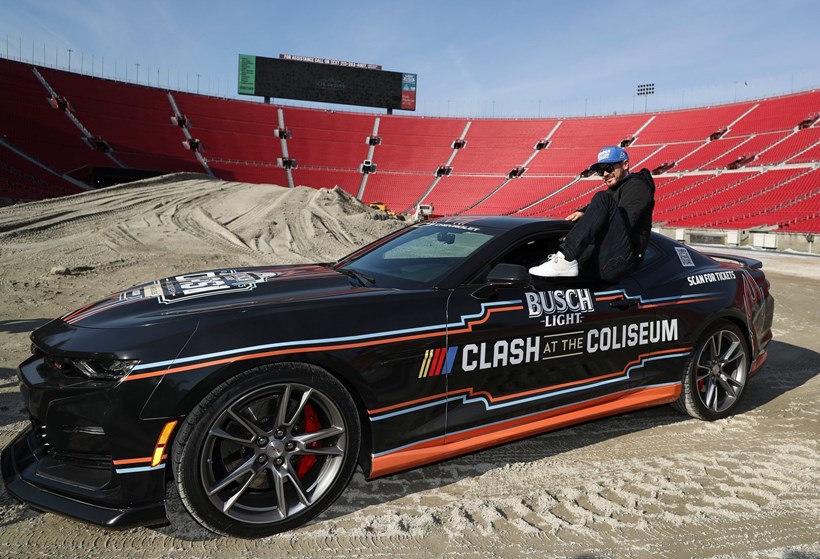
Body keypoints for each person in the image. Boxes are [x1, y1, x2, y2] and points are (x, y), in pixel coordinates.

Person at [529, 145, 655, 282]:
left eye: (609, 168)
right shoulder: (613, 190)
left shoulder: (638, 186)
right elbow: (600, 209)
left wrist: (579, 237)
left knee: (601, 198)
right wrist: (582, 214)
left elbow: (624, 223)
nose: (605, 174)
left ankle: (567, 258)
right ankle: (559, 260)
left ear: (625, 164)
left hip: (621, 260)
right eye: (601, 171)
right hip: (603, 258)